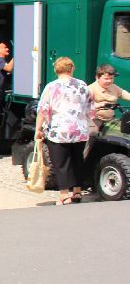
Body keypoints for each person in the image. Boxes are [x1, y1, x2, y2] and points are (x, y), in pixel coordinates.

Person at [35, 57, 93, 205]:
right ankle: (77, 191)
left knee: (62, 163)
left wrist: (38, 129)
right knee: (77, 160)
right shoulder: (82, 85)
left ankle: (64, 195)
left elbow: (43, 110)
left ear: (56, 70)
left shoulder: (51, 87)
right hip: (79, 130)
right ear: (72, 68)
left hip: (59, 130)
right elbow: (89, 108)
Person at [88, 64, 130, 135]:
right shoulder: (90, 89)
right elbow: (84, 104)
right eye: (106, 79)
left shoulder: (114, 87)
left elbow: (125, 94)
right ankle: (88, 146)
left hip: (111, 119)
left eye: (111, 78)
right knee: (92, 133)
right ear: (97, 78)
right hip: (94, 119)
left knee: (124, 131)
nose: (109, 81)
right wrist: (98, 105)